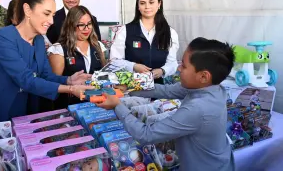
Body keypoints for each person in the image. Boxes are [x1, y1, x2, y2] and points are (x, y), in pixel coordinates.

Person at [97, 37, 236, 171]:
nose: (179, 68)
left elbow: (146, 135)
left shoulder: (197, 109)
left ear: (203, 76)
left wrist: (117, 105)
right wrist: (128, 86)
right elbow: (166, 90)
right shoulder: (212, 87)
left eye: (184, 65)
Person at [0, 0, 93, 125]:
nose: (51, 21)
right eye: (46, 14)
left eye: (52, 15)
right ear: (27, 10)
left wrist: (69, 80)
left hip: (23, 114)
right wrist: (71, 90)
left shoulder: (39, 40)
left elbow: (46, 75)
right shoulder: (3, 38)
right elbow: (26, 79)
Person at [110, 0, 179, 84]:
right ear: (138, 6)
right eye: (142, 3)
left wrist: (162, 71)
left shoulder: (170, 33)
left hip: (159, 89)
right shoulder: (125, 31)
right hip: (132, 89)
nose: (147, 7)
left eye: (151, 2)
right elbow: (114, 60)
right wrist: (133, 66)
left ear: (159, 4)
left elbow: (172, 63)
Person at [47, 5, 107, 108]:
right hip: (68, 107)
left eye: (89, 24)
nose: (86, 29)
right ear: (71, 25)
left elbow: (104, 74)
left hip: (97, 105)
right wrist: (71, 85)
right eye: (81, 25)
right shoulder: (58, 49)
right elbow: (53, 82)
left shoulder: (98, 46)